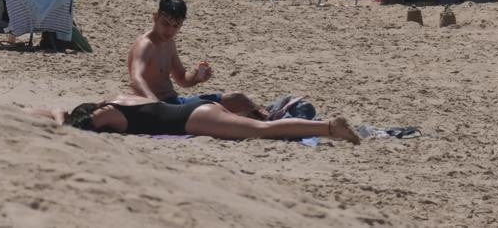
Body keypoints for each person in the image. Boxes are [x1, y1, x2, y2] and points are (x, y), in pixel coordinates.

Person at [127, 0, 264, 117]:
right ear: (155, 17)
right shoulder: (145, 45)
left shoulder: (169, 43)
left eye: (176, 26)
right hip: (158, 107)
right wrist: (156, 105)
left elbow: (181, 79)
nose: (170, 30)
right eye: (165, 24)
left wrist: (197, 76)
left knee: (238, 99)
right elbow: (136, 78)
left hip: (174, 103)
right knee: (220, 111)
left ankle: (268, 118)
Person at [34, 94, 360, 144]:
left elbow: (82, 124)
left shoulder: (104, 115)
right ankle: (327, 127)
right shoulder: (119, 99)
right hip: (195, 108)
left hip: (194, 121)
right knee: (259, 126)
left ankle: (330, 128)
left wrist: (63, 118)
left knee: (262, 130)